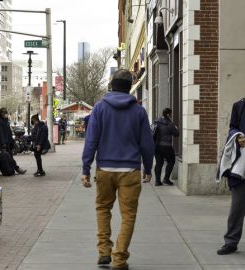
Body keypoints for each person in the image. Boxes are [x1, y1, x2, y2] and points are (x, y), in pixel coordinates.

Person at [81, 69, 155, 270]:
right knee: (128, 215)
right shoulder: (139, 111)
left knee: (103, 209)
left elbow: (91, 141)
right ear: (130, 86)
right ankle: (119, 258)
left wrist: (86, 168)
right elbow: (147, 144)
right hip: (130, 171)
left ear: (112, 85)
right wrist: (148, 167)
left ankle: (104, 251)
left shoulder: (99, 108)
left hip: (104, 169)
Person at [217, 76, 245, 255]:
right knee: (237, 207)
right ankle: (231, 242)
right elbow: (232, 127)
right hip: (244, 163)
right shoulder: (240, 105)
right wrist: (237, 135)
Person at [153, 108, 179, 186]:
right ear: (168, 114)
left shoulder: (156, 121)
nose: (171, 115)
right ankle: (166, 179)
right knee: (171, 161)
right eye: (170, 114)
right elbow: (176, 134)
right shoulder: (170, 124)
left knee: (158, 163)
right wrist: (176, 127)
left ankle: (157, 181)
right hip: (166, 146)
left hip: (157, 147)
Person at [0, 108, 26, 174]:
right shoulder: (0, 121)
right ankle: (17, 169)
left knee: (10, 156)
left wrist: (12, 140)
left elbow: (9, 131)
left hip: (9, 141)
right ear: (1, 113)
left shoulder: (6, 120)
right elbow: (1, 133)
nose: (4, 114)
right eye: (3, 113)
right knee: (9, 157)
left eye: (5, 113)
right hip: (4, 143)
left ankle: (15, 169)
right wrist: (3, 143)